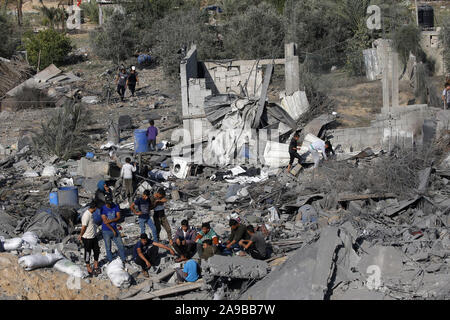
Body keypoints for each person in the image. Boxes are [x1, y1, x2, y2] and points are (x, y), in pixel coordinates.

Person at [78, 202, 101, 276]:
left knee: (97, 250)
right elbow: (83, 227)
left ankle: (96, 266)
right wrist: (80, 235)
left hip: (93, 236)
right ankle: (88, 267)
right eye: (96, 208)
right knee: (88, 253)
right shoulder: (86, 215)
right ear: (94, 208)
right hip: (87, 238)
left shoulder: (91, 214)